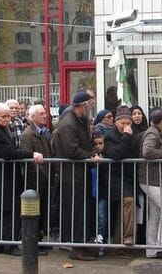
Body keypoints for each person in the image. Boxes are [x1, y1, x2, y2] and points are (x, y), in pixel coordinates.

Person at [0, 102, 46, 256]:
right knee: (8, 211)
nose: (7, 120)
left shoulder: (1, 130)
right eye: (3, 116)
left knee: (5, 211)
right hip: (3, 178)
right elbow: (9, 152)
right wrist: (31, 154)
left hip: (5, 177)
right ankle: (7, 245)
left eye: (8, 117)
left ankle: (0, 245)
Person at [51, 91, 99, 261]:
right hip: (71, 176)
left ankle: (82, 245)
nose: (91, 107)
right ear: (83, 105)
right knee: (77, 212)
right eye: (89, 104)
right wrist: (89, 156)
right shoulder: (69, 124)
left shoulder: (82, 121)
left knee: (83, 210)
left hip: (80, 174)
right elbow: (71, 150)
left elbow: (85, 143)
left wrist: (92, 152)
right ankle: (76, 247)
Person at [140, 108, 162, 260]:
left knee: (155, 214)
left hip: (153, 179)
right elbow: (147, 151)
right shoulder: (152, 133)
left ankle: (152, 249)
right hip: (153, 179)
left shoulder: (158, 133)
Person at [103, 106, 139, 246]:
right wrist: (126, 137)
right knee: (128, 201)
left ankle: (119, 245)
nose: (126, 126)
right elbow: (115, 154)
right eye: (123, 123)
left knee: (123, 210)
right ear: (116, 123)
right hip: (115, 177)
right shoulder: (110, 137)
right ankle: (128, 236)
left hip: (129, 176)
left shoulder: (133, 134)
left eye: (128, 123)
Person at [20, 104, 53, 240]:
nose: (45, 116)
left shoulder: (43, 132)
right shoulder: (28, 135)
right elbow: (28, 157)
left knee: (43, 209)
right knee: (34, 210)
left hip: (44, 177)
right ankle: (33, 241)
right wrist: (42, 174)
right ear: (33, 117)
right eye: (41, 114)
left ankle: (39, 237)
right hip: (36, 179)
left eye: (45, 113)